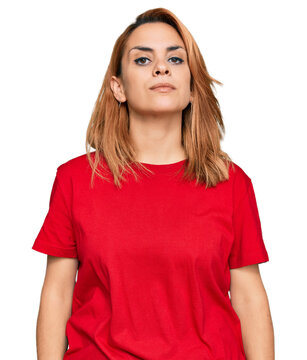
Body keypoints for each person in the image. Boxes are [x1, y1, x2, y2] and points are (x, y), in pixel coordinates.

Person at [32, 7, 274, 360]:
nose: (162, 67)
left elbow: (250, 297)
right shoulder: (75, 180)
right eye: (143, 60)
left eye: (175, 59)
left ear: (192, 87)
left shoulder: (231, 182)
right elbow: (56, 294)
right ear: (118, 87)